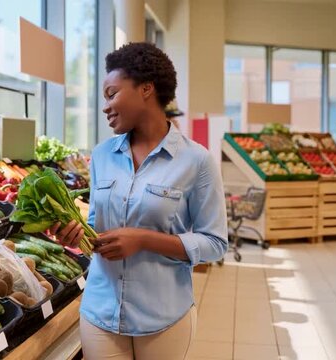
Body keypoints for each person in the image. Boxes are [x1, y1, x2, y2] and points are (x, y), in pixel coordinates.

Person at [50, 42, 228, 360]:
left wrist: (144, 239)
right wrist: (77, 235)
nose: (105, 106)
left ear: (146, 89)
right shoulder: (102, 155)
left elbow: (214, 242)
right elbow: (96, 227)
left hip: (163, 317)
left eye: (112, 93)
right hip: (100, 312)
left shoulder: (196, 160)